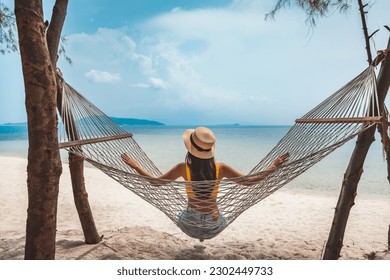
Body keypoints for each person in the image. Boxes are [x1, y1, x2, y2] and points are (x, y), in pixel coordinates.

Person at [121, 126, 289, 241]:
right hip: (213, 225)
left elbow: (155, 183)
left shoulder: (182, 168)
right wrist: (274, 165)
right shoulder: (221, 168)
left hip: (189, 224)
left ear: (190, 149)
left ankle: (200, 232)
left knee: (184, 212)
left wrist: (135, 165)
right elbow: (250, 182)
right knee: (216, 212)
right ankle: (208, 226)